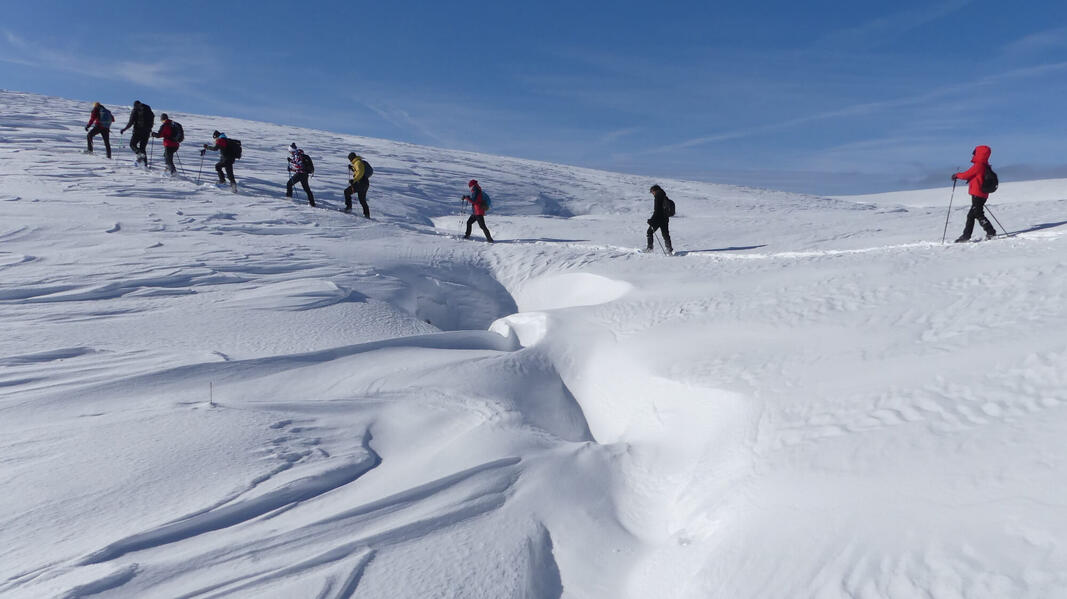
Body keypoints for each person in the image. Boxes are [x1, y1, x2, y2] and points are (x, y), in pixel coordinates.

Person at [952, 145, 997, 242]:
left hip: (978, 193)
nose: (973, 154)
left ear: (979, 154)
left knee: (978, 214)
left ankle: (990, 232)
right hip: (982, 194)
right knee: (972, 215)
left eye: (974, 152)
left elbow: (967, 175)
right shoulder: (985, 165)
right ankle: (966, 235)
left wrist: (956, 175)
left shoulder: (979, 165)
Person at [120, 100, 154, 166]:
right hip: (147, 132)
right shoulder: (148, 109)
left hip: (138, 131)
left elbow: (131, 122)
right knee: (142, 148)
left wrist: (124, 129)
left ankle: (139, 154)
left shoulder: (135, 110)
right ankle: (144, 164)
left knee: (132, 144)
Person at [646, 184, 674, 254]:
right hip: (665, 218)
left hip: (658, 219)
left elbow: (657, 210)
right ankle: (669, 249)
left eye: (652, 192)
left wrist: (651, 220)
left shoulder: (657, 197)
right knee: (665, 234)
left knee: (649, 232)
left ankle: (650, 249)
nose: (652, 194)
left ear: (654, 190)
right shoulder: (664, 196)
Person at [343, 151, 371, 217]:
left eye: (349, 159)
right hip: (365, 184)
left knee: (347, 192)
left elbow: (360, 172)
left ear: (351, 158)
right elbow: (358, 170)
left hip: (360, 183)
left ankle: (348, 208)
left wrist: (354, 180)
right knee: (362, 199)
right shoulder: (358, 162)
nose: (349, 160)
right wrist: (352, 168)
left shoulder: (358, 162)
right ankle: (367, 214)